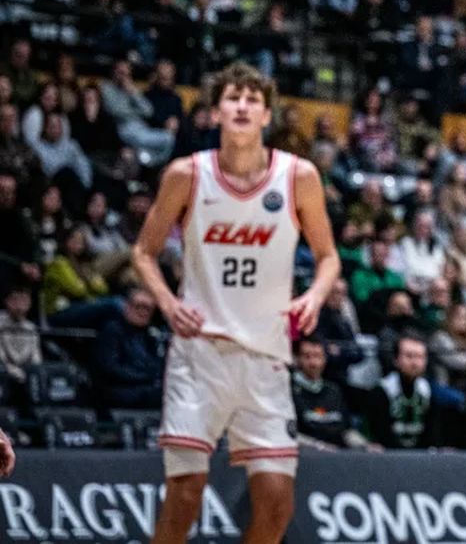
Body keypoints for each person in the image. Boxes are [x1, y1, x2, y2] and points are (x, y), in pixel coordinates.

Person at [132, 63, 340, 544]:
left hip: (266, 358)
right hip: (200, 353)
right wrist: (166, 301)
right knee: (184, 495)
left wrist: (313, 295)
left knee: (276, 503)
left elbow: (328, 257)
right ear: (216, 110)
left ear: (267, 113)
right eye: (233, 97)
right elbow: (143, 251)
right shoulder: (187, 174)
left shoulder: (298, 176)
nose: (242, 105)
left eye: (252, 98)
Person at [292, 337, 377, 451]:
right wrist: (319, 447)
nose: (313, 362)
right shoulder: (290, 390)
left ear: (325, 359)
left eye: (317, 356)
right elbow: (290, 435)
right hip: (306, 456)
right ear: (297, 358)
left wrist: (365, 445)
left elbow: (346, 431)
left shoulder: (334, 391)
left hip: (337, 457)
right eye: (307, 356)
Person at [365, 333, 444, 449]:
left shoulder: (429, 391)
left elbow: (433, 436)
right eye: (409, 356)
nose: (414, 363)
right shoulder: (380, 391)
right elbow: (378, 435)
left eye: (420, 357)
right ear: (396, 360)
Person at [92, 288, 164, 409]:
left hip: (145, 386)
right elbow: (109, 368)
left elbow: (155, 364)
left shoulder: (151, 335)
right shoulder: (112, 331)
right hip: (118, 389)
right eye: (139, 306)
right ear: (127, 306)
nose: (143, 312)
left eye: (148, 309)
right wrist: (144, 377)